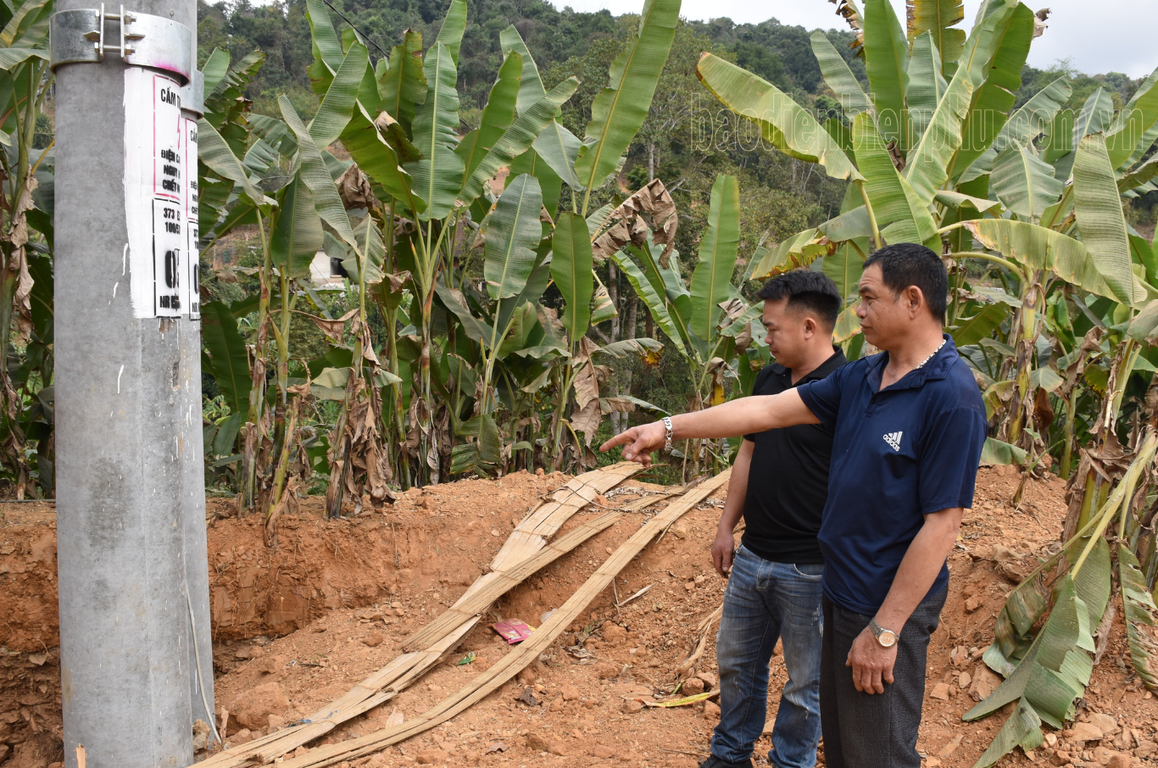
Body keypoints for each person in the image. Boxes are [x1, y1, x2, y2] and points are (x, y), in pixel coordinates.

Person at [603, 243, 988, 768]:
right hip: (840, 594)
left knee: (879, 754)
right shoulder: (864, 378)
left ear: (913, 300)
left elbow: (942, 526)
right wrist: (666, 429)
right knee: (847, 750)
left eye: (870, 298)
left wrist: (885, 629)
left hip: (882, 607)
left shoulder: (952, 395)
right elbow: (765, 410)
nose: (859, 311)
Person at [703, 270, 846, 768]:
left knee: (806, 683)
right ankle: (730, 755)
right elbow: (747, 455)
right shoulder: (769, 379)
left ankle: (790, 762)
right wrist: (726, 526)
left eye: (772, 328)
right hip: (753, 555)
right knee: (737, 664)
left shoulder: (846, 389)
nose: (766, 338)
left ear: (810, 327)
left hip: (811, 566)